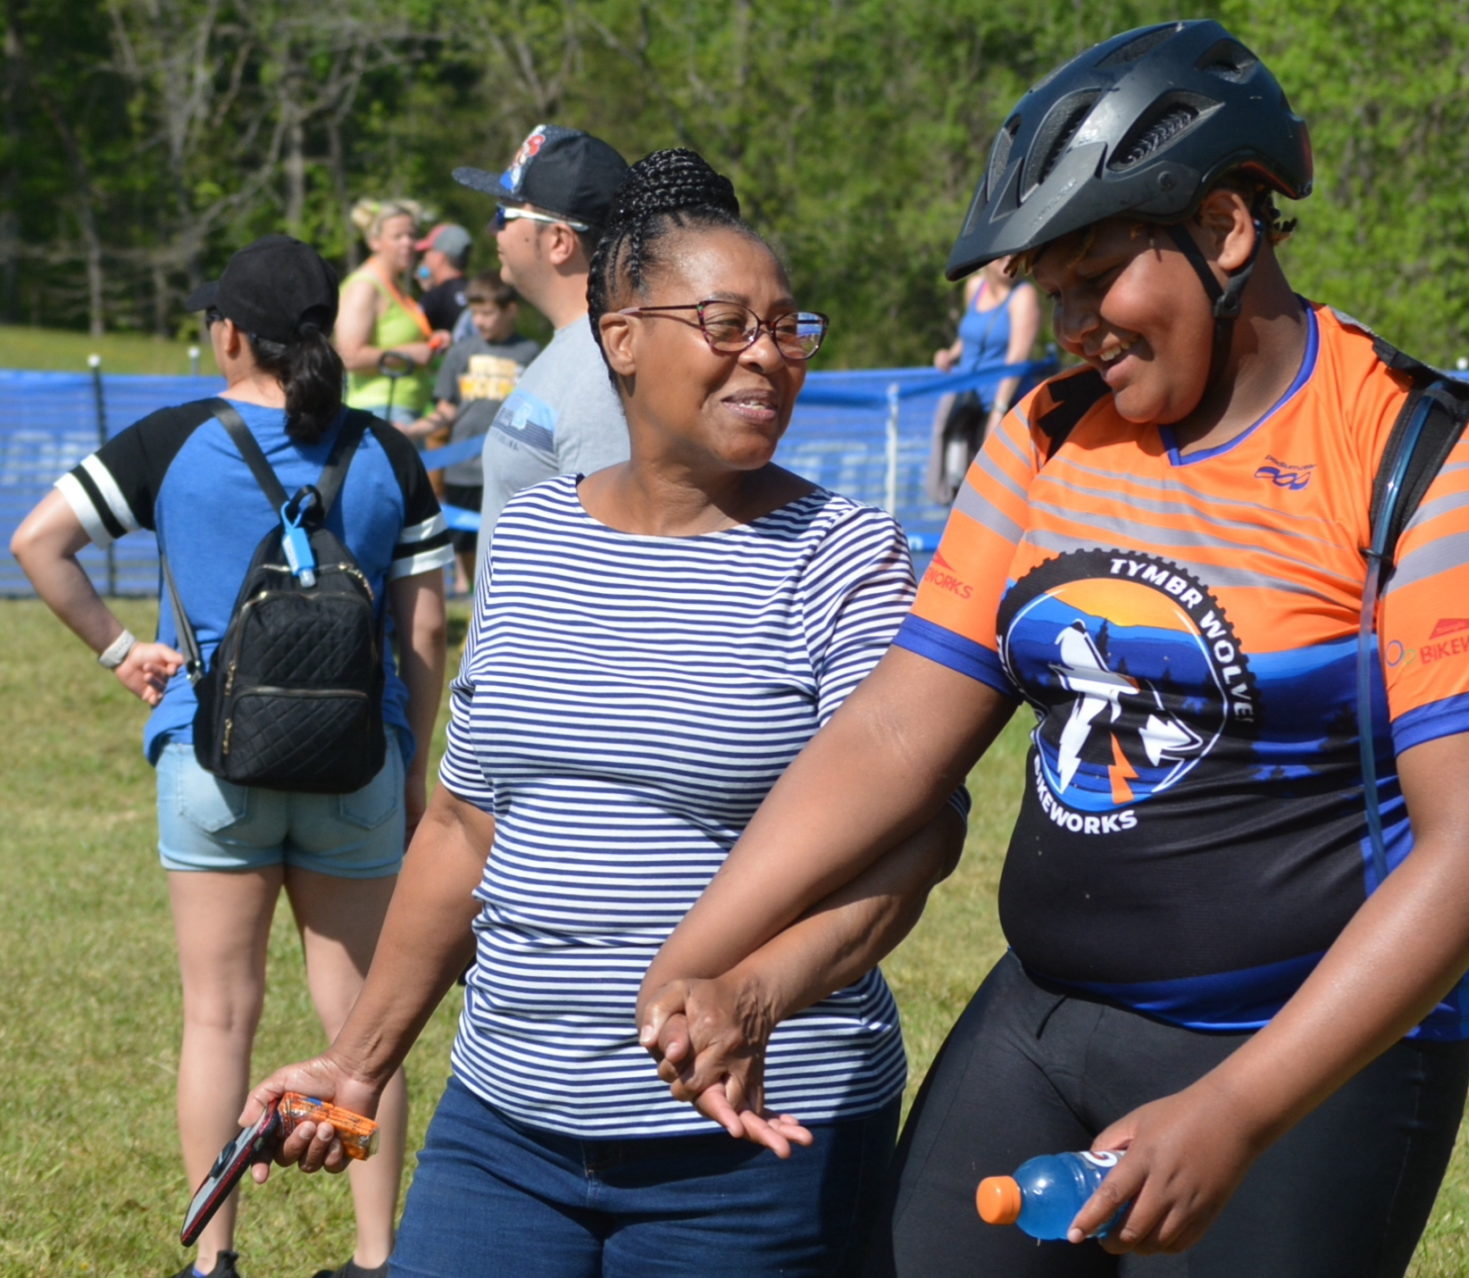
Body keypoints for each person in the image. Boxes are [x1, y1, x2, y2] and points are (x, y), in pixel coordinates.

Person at [637, 20, 1469, 1278]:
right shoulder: (1046, 435)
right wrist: (699, 961)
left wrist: (1236, 1107)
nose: (1067, 323)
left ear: (1228, 232)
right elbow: (898, 728)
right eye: (1047, 292)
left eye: (1091, 279)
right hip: (1045, 1020)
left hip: (1297, 1056)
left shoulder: (1420, 468)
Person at [243, 148, 967, 1278]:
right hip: (504, 1125)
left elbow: (921, 836)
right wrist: (360, 1061)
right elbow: (464, 828)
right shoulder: (529, 545)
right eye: (726, 324)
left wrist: (758, 996)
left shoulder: (843, 560)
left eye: (787, 327)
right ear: (618, 335)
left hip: (748, 1144)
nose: (768, 357)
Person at [9, 234, 453, 1278]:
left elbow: (38, 542)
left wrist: (123, 652)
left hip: (213, 764)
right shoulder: (390, 454)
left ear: (228, 336)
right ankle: (377, 1254)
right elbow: (425, 633)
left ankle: (215, 1260)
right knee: (362, 1030)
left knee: (218, 1018)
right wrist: (415, 771)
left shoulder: (173, 440)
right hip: (358, 772)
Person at [451, 123, 634, 557]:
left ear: (558, 241)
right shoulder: (572, 348)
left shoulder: (602, 373)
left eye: (505, 215)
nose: (494, 230)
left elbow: (606, 557)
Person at [410, 270, 540, 593]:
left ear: (511, 310)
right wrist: (409, 430)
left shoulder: (532, 354)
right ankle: (473, 594)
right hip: (463, 467)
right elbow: (446, 410)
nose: (481, 321)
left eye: (488, 313)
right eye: (475, 313)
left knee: (508, 538)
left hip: (511, 465)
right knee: (465, 540)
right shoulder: (461, 353)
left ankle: (503, 592)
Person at [925, 255, 1042, 503]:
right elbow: (970, 335)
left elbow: (1017, 359)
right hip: (967, 402)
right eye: (1001, 253)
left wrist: (998, 411)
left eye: (1013, 252)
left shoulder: (1023, 295)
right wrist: (950, 354)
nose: (1007, 258)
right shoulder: (975, 287)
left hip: (1003, 406)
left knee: (998, 488)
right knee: (959, 480)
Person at [338, 199, 447, 431]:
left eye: (412, 235)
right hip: (379, 412)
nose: (408, 243)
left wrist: (432, 343)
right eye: (398, 237)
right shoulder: (365, 286)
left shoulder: (395, 285)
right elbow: (349, 356)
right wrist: (409, 354)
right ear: (374, 241)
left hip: (405, 411)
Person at [414, 222, 472, 335]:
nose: (424, 258)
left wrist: (429, 295)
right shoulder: (476, 290)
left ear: (439, 257)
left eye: (427, 251)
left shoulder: (434, 298)